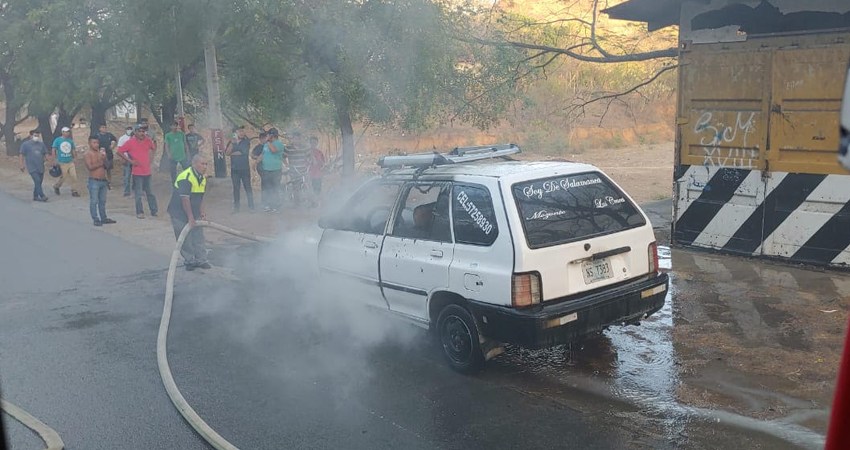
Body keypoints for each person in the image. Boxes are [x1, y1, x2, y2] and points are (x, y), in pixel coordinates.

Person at [167, 154, 211, 271]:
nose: (205, 167)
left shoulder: (203, 178)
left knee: (198, 236)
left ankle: (201, 260)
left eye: (206, 164)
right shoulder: (185, 177)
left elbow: (201, 197)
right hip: (179, 213)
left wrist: (202, 214)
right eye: (202, 164)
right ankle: (189, 260)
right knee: (185, 237)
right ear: (194, 164)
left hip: (194, 211)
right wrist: (190, 218)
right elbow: (184, 199)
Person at [119, 124, 158, 219]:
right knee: (138, 193)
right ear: (135, 132)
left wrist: (152, 159)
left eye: (143, 131)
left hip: (147, 172)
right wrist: (130, 161)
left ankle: (154, 211)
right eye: (139, 131)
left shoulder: (148, 140)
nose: (141, 133)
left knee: (150, 192)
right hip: (137, 173)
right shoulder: (130, 142)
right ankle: (139, 212)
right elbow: (119, 151)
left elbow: (153, 148)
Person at [84, 136, 117, 226]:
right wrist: (101, 162)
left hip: (103, 180)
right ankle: (95, 218)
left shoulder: (100, 153)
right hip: (94, 180)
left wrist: (105, 158)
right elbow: (90, 167)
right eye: (94, 143)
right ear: (89, 143)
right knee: (94, 201)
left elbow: (107, 166)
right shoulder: (88, 154)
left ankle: (104, 217)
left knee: (102, 201)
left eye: (97, 143)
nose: (96, 145)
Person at [225, 126, 253, 213]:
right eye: (239, 131)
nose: (242, 133)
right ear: (234, 133)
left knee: (248, 187)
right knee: (236, 188)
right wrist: (232, 144)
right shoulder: (231, 142)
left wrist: (233, 153)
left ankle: (251, 206)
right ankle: (236, 207)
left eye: (242, 131)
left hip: (244, 168)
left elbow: (242, 152)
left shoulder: (246, 142)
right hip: (234, 169)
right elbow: (227, 153)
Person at [19, 130, 50, 202]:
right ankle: (42, 195)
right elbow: (21, 154)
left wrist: (50, 162)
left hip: (40, 166)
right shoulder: (25, 145)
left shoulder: (41, 144)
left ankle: (35, 196)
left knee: (39, 182)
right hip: (31, 166)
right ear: (30, 136)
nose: (37, 137)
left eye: (38, 136)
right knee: (37, 180)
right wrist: (21, 164)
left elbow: (46, 153)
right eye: (35, 135)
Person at [261, 128, 285, 212]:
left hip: (275, 170)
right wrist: (255, 163)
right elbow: (262, 154)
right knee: (267, 188)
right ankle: (268, 204)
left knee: (275, 188)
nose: (266, 136)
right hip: (266, 169)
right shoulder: (266, 145)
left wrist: (268, 142)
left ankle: (275, 206)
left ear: (272, 135)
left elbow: (274, 150)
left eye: (268, 135)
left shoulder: (279, 144)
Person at [52, 127, 80, 197]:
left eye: (68, 132)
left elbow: (73, 150)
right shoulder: (58, 140)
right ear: (62, 132)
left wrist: (75, 158)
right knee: (63, 177)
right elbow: (53, 149)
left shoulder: (70, 141)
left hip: (70, 161)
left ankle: (74, 190)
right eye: (66, 132)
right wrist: (54, 159)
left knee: (74, 176)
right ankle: (57, 186)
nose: (68, 133)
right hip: (62, 162)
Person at [96, 123, 117, 189]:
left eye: (105, 127)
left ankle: (109, 182)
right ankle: (101, 182)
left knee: (108, 169)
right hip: (100, 155)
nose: (104, 129)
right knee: (101, 169)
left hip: (109, 155)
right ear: (99, 129)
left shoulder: (109, 135)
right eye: (102, 127)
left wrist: (112, 146)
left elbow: (114, 140)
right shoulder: (97, 136)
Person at [118, 125, 134, 197]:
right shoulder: (122, 138)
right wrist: (122, 158)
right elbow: (120, 149)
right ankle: (127, 191)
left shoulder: (135, 138)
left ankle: (135, 190)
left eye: (130, 129)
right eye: (128, 129)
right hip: (126, 159)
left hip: (134, 159)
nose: (129, 130)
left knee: (136, 176)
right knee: (127, 176)